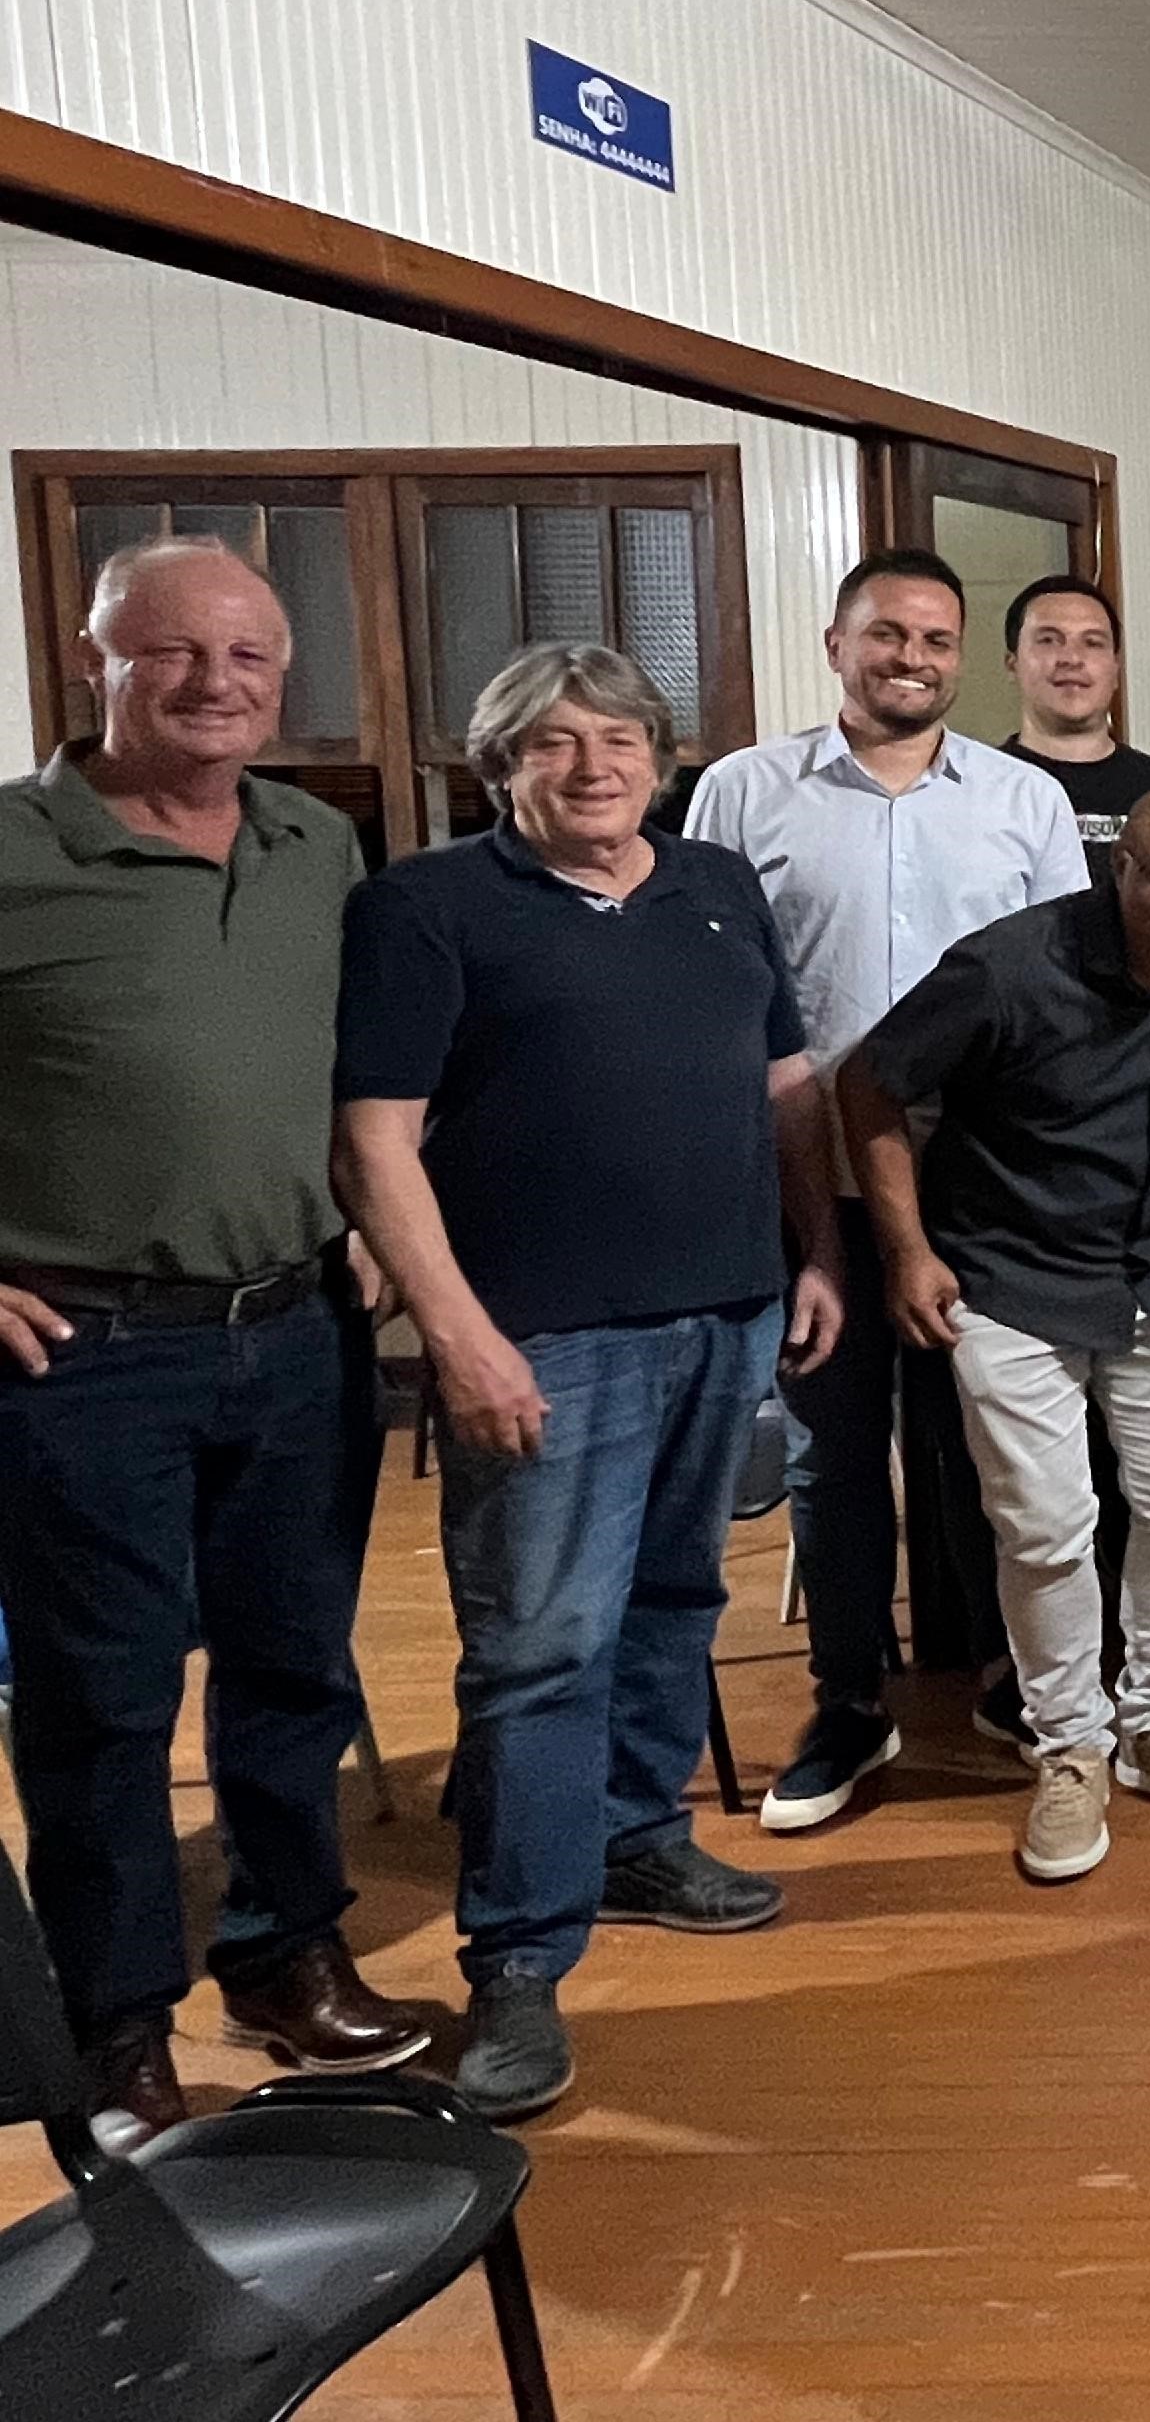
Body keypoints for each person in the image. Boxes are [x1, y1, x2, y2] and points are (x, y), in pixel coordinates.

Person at [334, 642, 846, 2123]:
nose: (591, 766)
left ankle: (634, 1837)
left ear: (659, 759)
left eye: (617, 739)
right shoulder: (427, 906)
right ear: (501, 766)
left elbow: (787, 1090)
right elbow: (374, 1141)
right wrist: (458, 1334)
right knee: (540, 1647)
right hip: (544, 1339)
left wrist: (816, 1253)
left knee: (676, 1602)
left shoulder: (716, 886)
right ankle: (517, 1959)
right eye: (551, 742)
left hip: (725, 1312)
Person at [0, 537, 443, 2143]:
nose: (215, 683)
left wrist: (368, 1222)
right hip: (83, 1350)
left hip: (299, 1329)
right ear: (95, 660)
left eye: (248, 656)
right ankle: (118, 2026)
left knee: (293, 1665)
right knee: (103, 1702)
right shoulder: (12, 847)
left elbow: (347, 1075)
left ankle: (283, 1953)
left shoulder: (315, 843)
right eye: (174, 652)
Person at [687, 548, 1087, 1834]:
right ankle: (850, 1699)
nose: (911, 658)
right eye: (886, 634)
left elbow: (1062, 1000)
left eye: (934, 639)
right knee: (836, 1453)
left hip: (983, 1189)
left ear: (962, 658)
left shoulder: (1023, 800)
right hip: (817, 1189)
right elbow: (708, 988)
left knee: (989, 1445)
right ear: (837, 643)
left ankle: (1004, 1677)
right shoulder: (743, 792)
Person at [838, 785, 1150, 1885]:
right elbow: (868, 1083)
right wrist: (906, 1251)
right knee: (1044, 1531)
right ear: (1118, 868)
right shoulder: (1006, 968)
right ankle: (1069, 1746)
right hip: (1014, 1283)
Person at [997, 575, 1150, 887]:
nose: (1072, 659)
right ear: (1012, 663)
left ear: (1115, 669)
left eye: (1092, 643)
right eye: (1049, 640)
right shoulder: (978, 792)